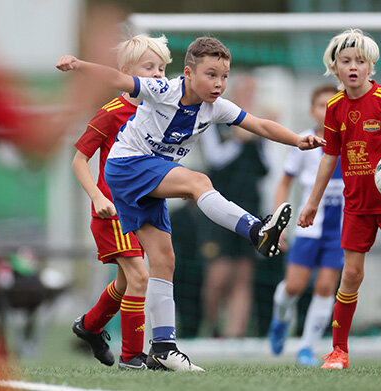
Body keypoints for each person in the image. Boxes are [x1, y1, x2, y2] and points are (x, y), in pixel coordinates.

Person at [56, 36, 325, 371]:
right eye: (211, 75)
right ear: (187, 73)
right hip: (126, 168)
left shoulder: (217, 107)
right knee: (198, 182)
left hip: (148, 179)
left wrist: (298, 140)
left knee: (164, 259)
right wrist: (79, 65)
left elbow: (259, 124)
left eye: (224, 76)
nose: (219, 83)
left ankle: (163, 347)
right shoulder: (164, 90)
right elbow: (117, 80)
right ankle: (257, 230)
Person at [297, 28, 381, 369]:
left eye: (361, 61)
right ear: (335, 67)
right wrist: (312, 202)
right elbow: (330, 155)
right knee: (352, 276)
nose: (354, 66)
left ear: (370, 66)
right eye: (346, 61)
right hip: (356, 207)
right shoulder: (334, 107)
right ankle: (339, 350)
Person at [69, 34, 172, 371]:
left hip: (141, 210)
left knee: (127, 282)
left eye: (161, 68)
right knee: (140, 278)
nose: (157, 74)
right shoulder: (112, 112)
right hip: (113, 210)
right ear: (127, 71)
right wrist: (97, 196)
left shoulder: (161, 111)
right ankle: (132, 357)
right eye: (149, 67)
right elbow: (79, 161)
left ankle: (89, 327)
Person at [268, 84, 343, 366]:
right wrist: (279, 222)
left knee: (325, 287)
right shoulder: (304, 141)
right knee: (294, 286)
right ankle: (280, 318)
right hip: (309, 226)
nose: (328, 110)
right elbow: (284, 182)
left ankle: (306, 348)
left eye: (333, 104)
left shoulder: (351, 141)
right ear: (312, 111)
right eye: (322, 105)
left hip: (339, 230)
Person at [199, 74, 268, 339]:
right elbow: (215, 160)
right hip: (218, 207)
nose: (250, 97)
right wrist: (239, 139)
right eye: (245, 92)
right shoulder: (213, 120)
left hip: (250, 206)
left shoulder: (257, 126)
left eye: (254, 92)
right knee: (218, 275)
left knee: (243, 274)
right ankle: (212, 327)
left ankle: (234, 336)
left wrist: (255, 136)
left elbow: (267, 167)